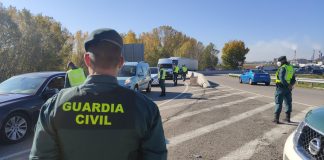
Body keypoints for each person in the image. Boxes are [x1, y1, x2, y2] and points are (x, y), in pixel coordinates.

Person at [30, 28, 167, 160]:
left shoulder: (54, 106)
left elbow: (41, 156)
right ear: (121, 62)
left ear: (87, 59)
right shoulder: (146, 108)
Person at [273, 56, 296, 124]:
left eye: (279, 61)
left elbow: (282, 79)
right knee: (288, 102)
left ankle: (276, 119)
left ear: (282, 61)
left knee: (278, 103)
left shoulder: (283, 68)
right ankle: (287, 118)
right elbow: (293, 79)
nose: (278, 62)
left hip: (280, 88)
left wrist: (287, 85)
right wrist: (290, 85)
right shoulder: (291, 67)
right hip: (288, 89)